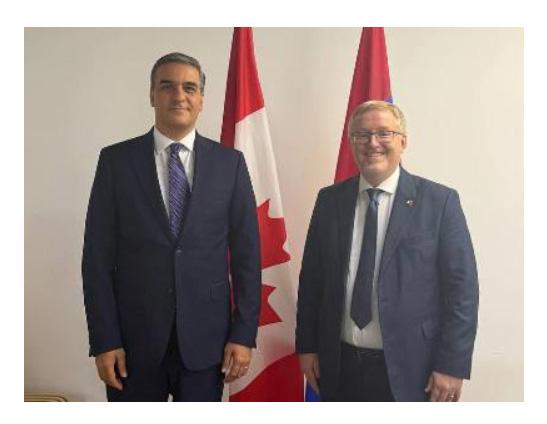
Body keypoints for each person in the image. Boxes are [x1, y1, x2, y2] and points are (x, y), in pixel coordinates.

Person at [82, 52, 261, 401]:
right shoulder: (116, 162)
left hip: (208, 343)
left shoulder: (230, 164)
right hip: (132, 345)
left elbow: (247, 257)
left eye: (189, 88)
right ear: (152, 95)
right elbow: (96, 260)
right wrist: (105, 340)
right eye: (167, 86)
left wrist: (243, 334)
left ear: (201, 99)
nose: (179, 96)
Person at [296, 100, 478, 402]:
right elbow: (312, 282)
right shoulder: (329, 201)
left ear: (403, 142)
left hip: (413, 369)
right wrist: (307, 346)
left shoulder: (439, 202)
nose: (372, 143)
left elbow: (462, 291)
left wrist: (452, 364)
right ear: (352, 143)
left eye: (384, 133)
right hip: (338, 365)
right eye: (362, 134)